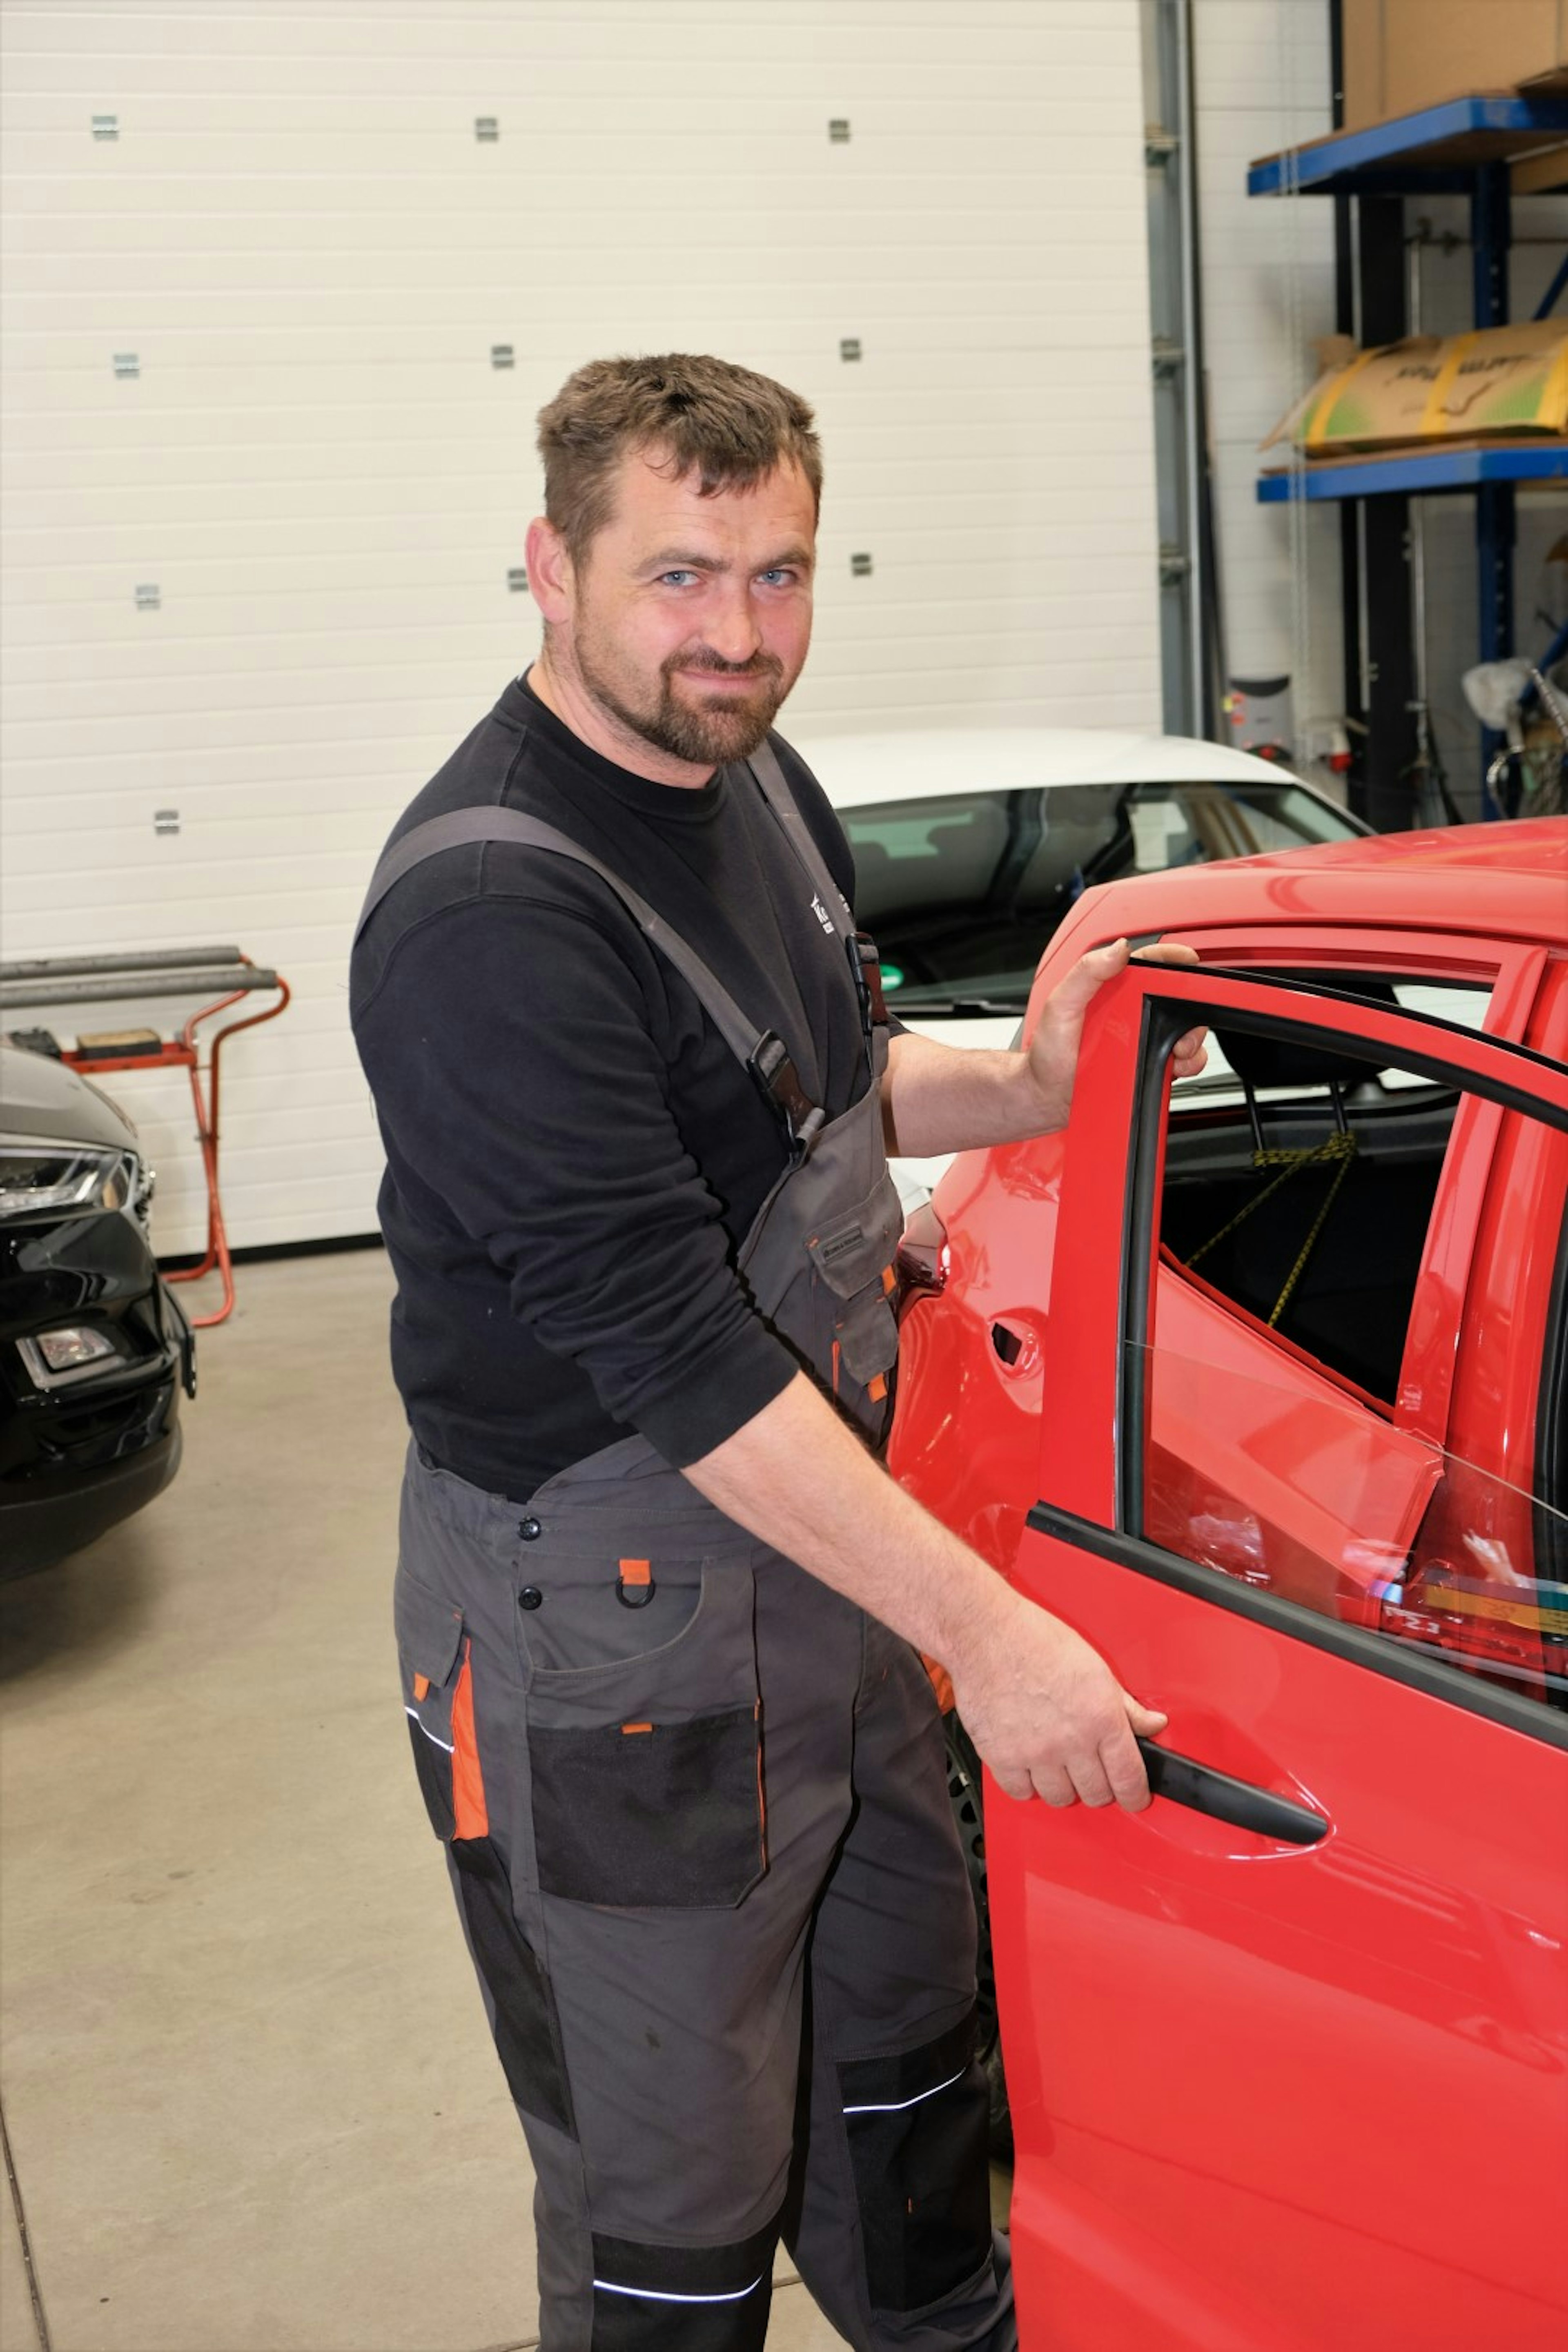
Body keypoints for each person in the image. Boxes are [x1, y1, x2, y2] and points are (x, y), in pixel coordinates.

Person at [350, 353, 1203, 2352]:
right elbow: (677, 1352)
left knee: (905, 2053)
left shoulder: (750, 777)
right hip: (613, 1630)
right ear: (551, 567)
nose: (738, 633)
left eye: (780, 573)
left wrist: (1025, 1083)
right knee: (675, 2186)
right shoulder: (490, 908)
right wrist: (994, 1635)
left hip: (825, 1554)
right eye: (680, 576)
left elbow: (826, 1079)